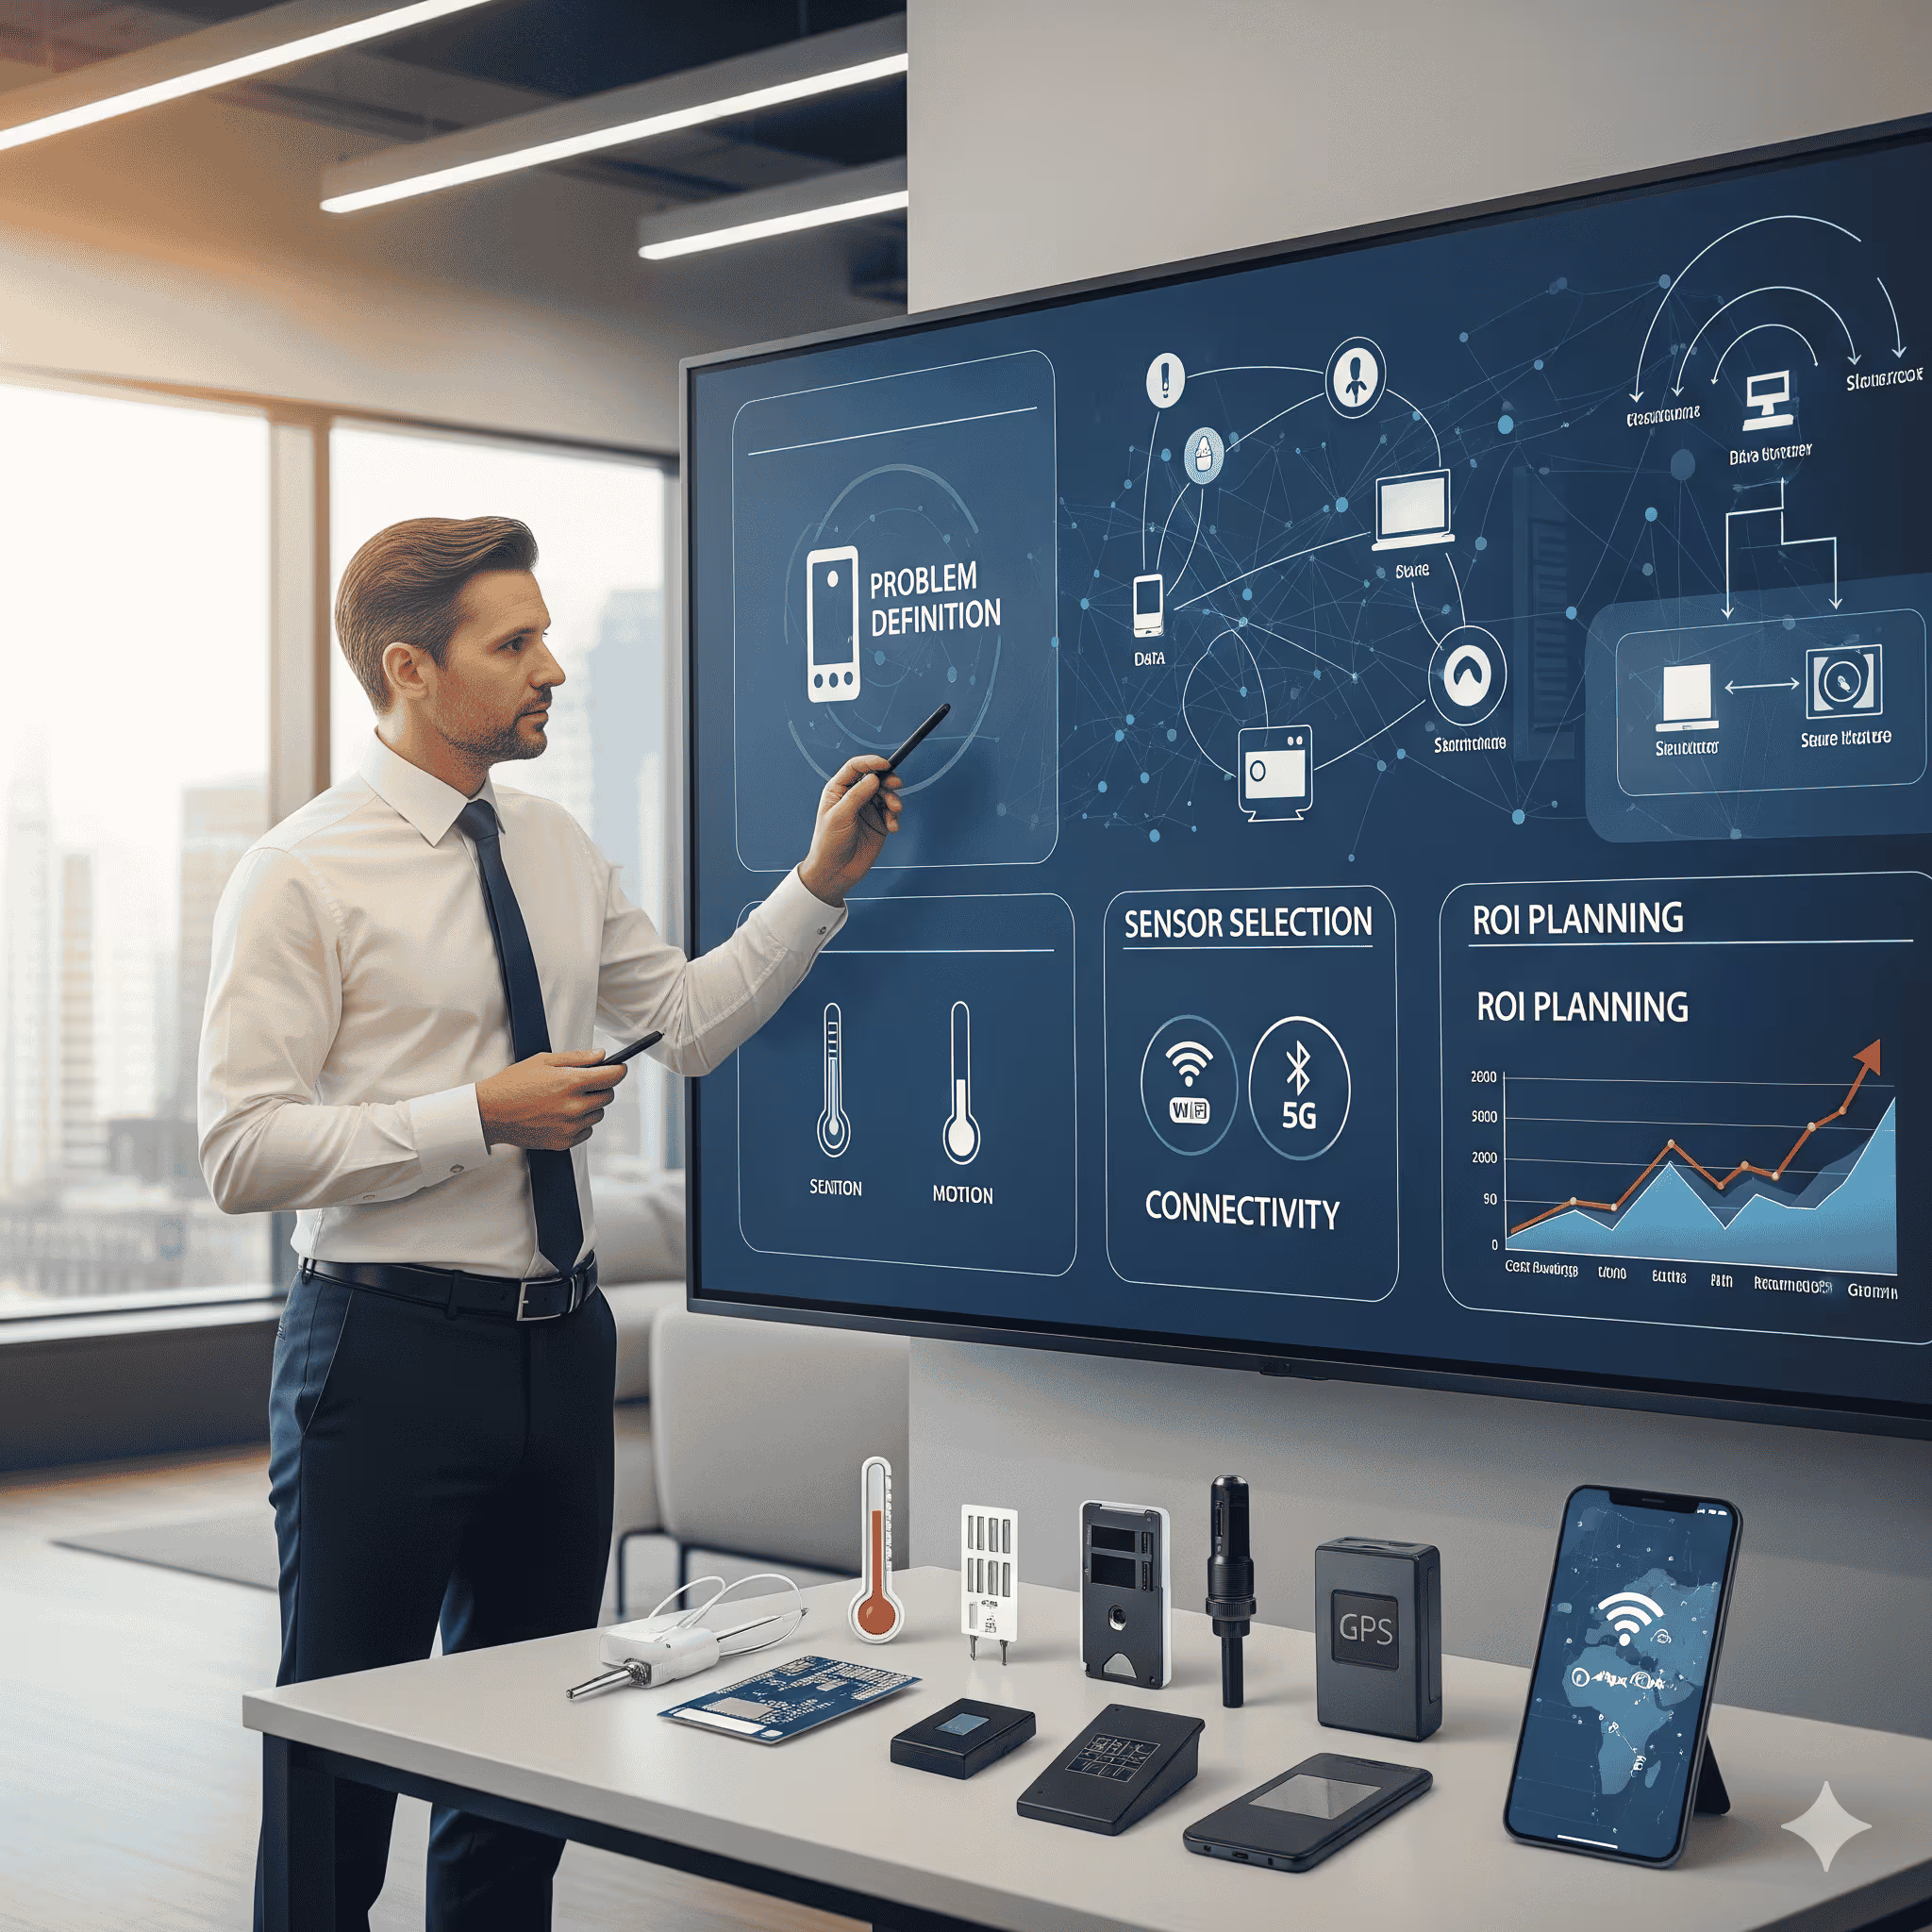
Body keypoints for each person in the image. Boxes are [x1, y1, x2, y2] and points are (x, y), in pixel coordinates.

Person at [199, 515, 902, 1930]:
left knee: (526, 1776)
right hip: (382, 1361)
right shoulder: (301, 872)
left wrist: (819, 886)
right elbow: (240, 1150)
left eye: (545, 636)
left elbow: (688, 1023)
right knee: (338, 1779)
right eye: (513, 644)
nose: (553, 670)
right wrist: (482, 1115)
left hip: (558, 1352)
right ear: (409, 668)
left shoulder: (555, 842)